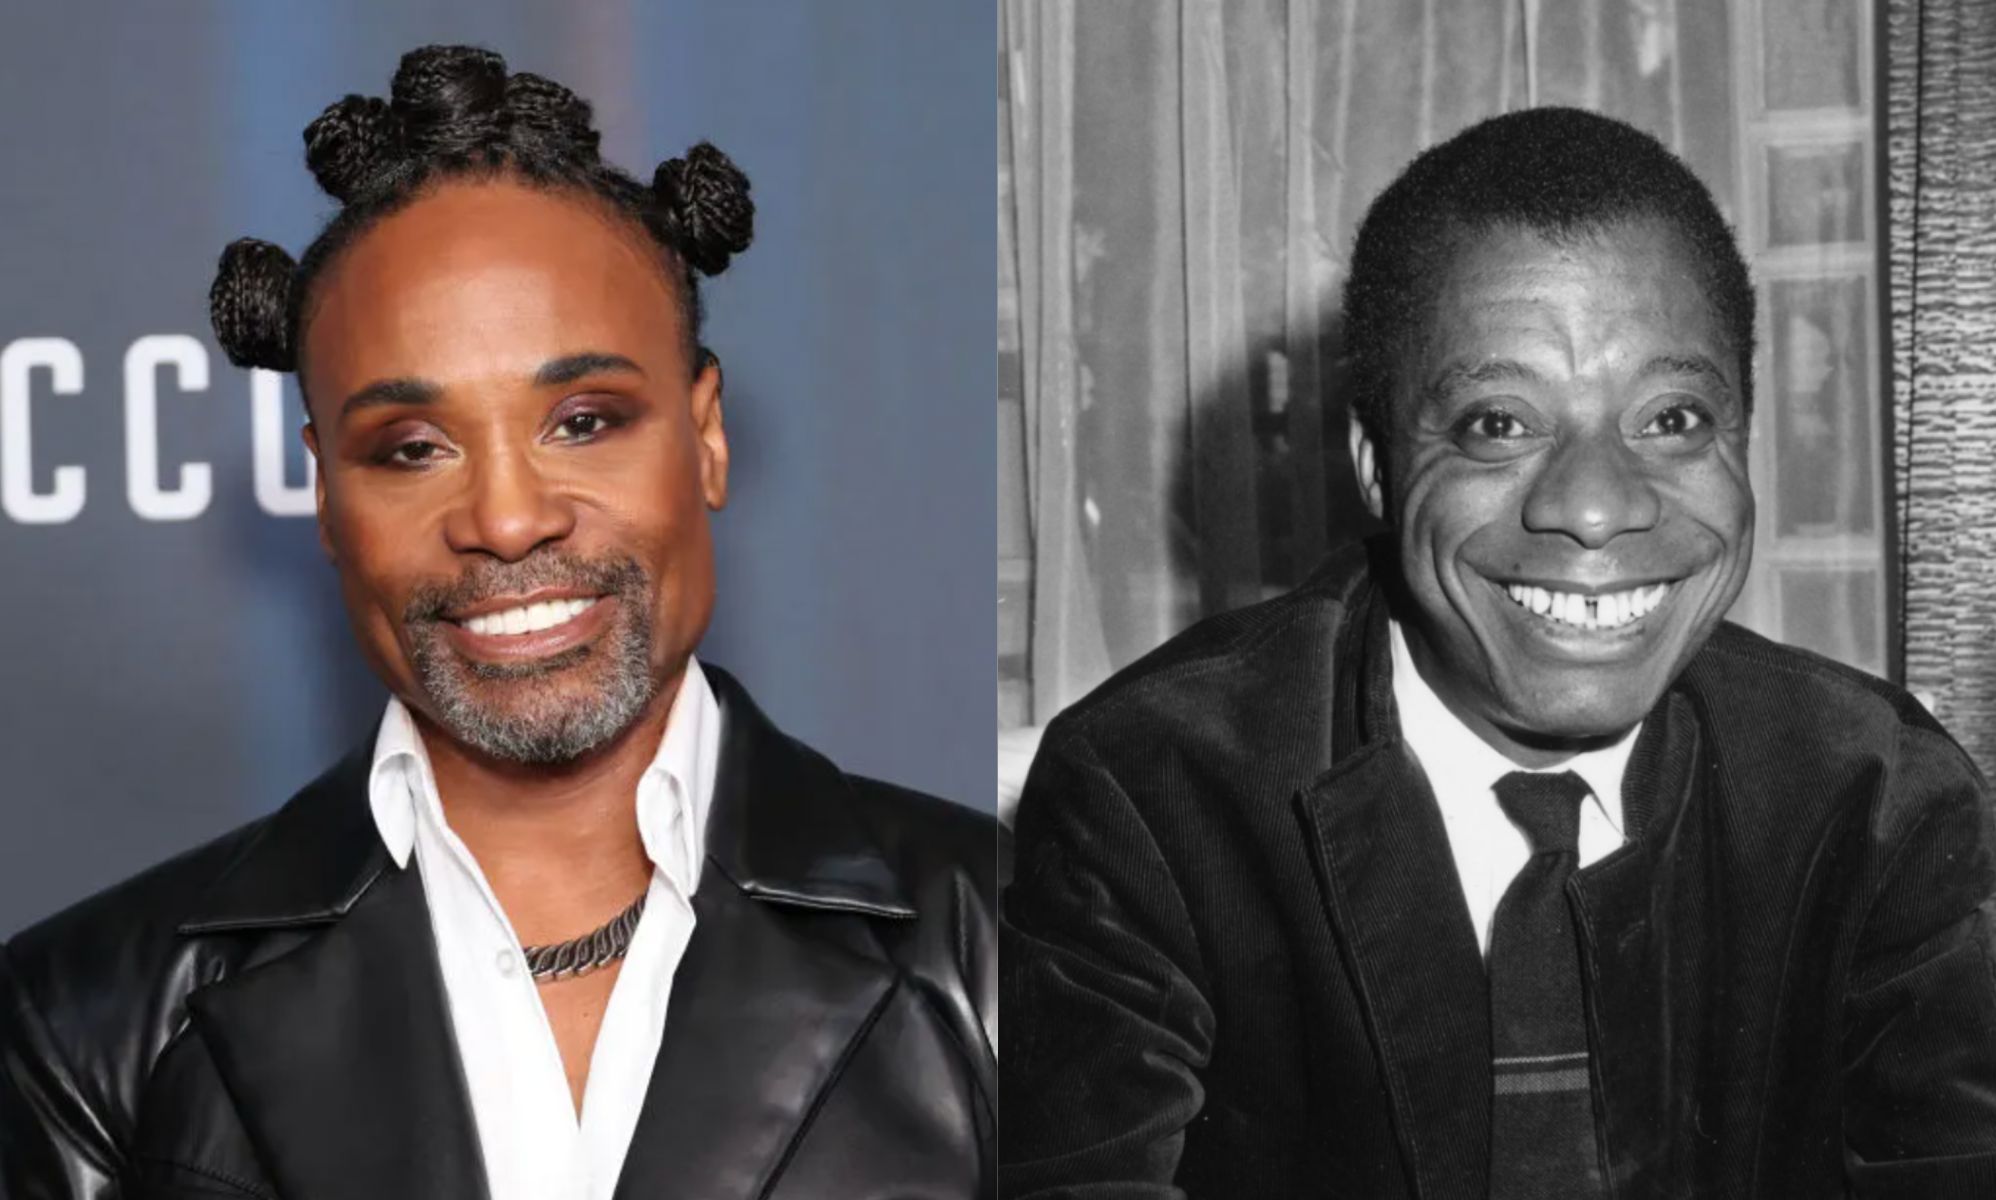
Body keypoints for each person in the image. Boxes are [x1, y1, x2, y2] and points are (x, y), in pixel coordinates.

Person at [0, 45, 996, 1199]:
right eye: (411, 448)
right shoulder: (85, 1023)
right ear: (326, 495)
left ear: (705, 435)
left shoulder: (1012, 948)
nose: (509, 519)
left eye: (583, 420)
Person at [999, 107, 1996, 1198]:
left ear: (1744, 437)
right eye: (1496, 423)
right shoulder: (1157, 789)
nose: (1595, 508)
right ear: (1376, 464)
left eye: (1670, 419)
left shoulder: (1878, 801)